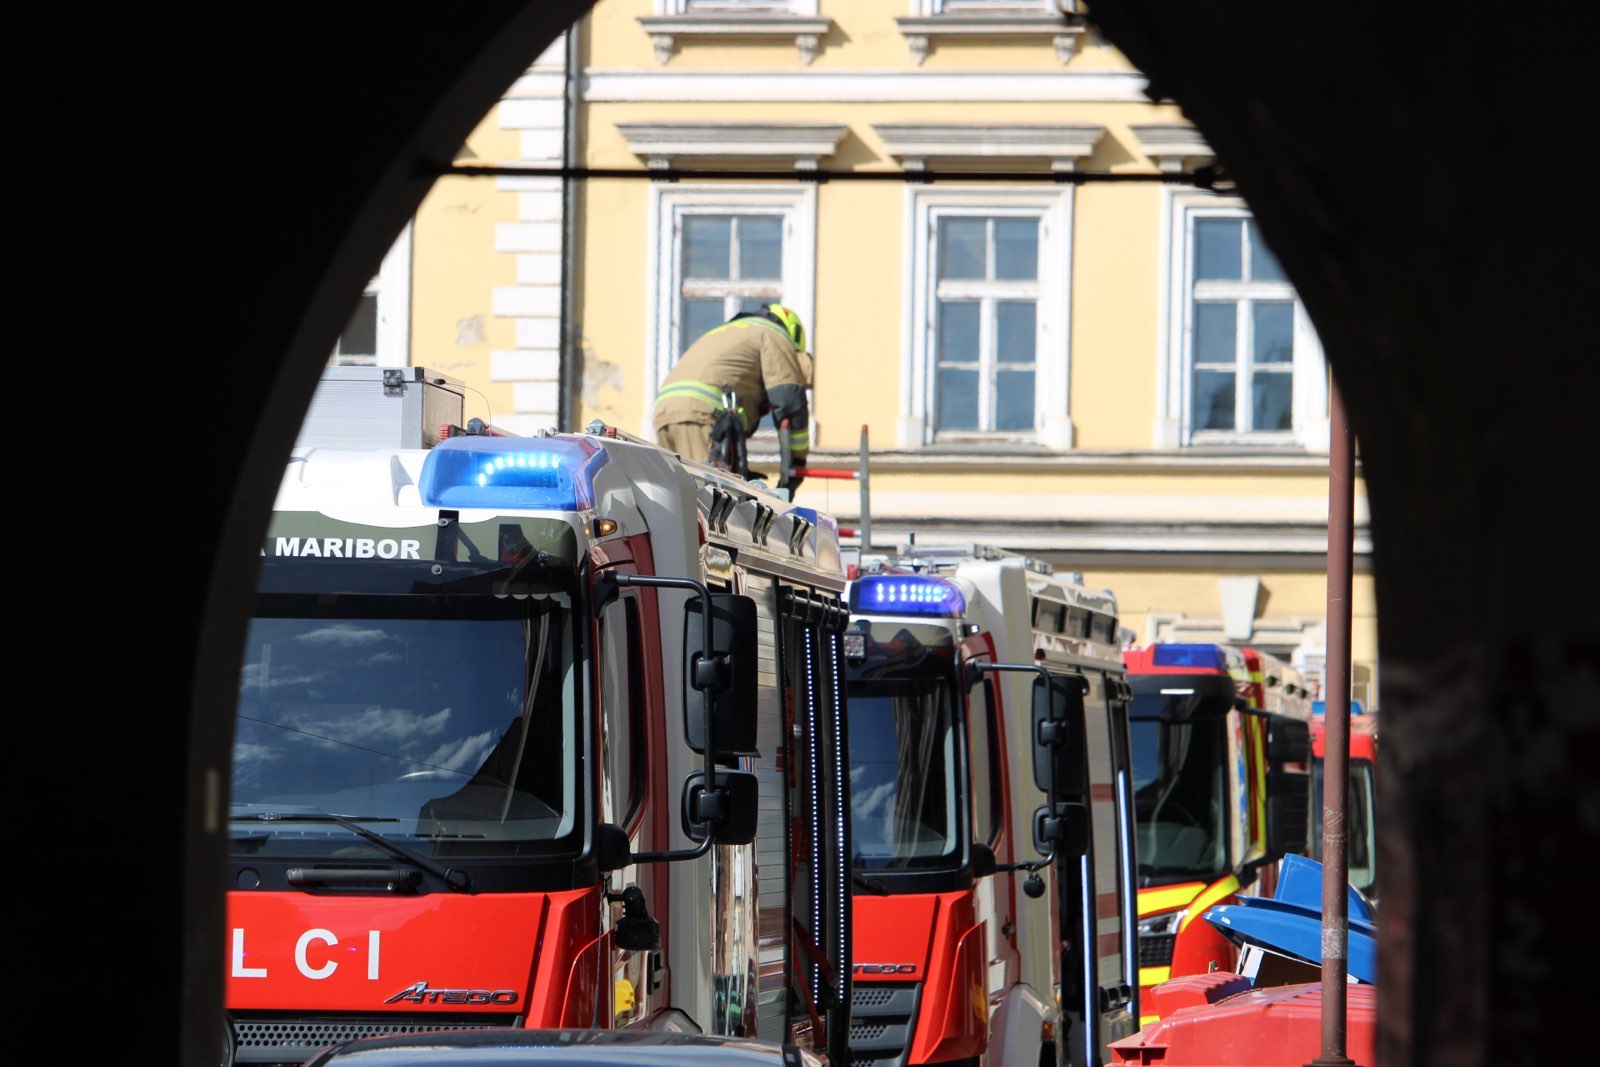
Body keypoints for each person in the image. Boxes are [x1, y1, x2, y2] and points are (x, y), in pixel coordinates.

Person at [653, 303, 813, 492]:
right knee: (704, 501)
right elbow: (789, 400)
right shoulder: (774, 336)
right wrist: (796, 465)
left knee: (676, 497)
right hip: (702, 416)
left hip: (665, 413)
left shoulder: (729, 332)